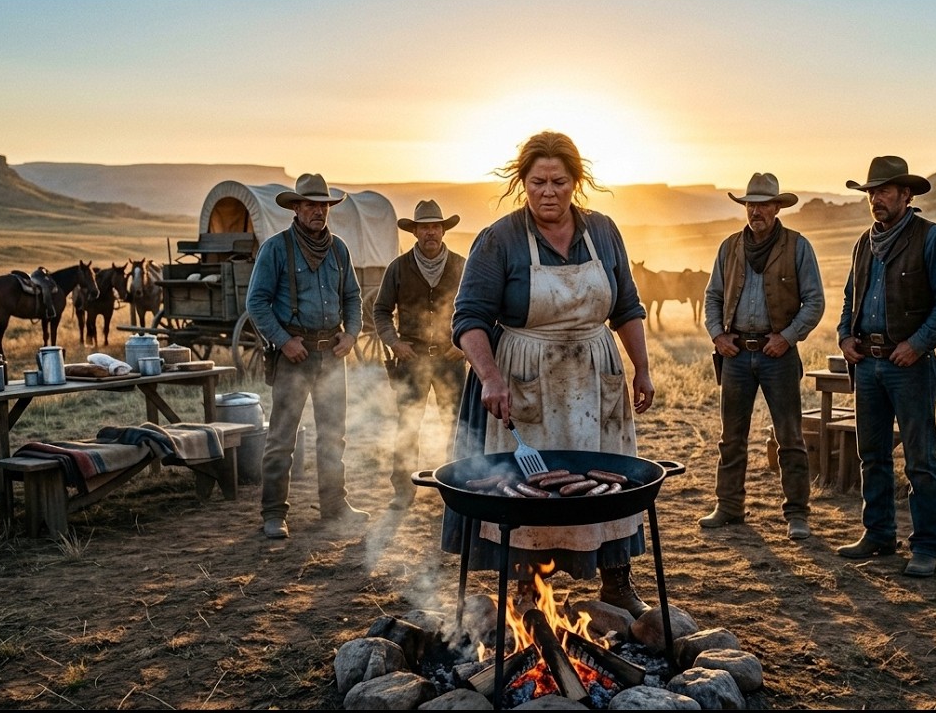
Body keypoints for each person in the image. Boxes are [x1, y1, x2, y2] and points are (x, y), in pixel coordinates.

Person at [442, 130, 656, 616]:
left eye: (559, 181)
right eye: (537, 181)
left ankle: (617, 582)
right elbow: (469, 318)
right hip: (525, 376)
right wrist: (492, 378)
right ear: (523, 183)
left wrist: (641, 367)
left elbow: (626, 306)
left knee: (608, 476)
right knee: (526, 485)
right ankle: (526, 590)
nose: (548, 192)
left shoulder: (603, 231)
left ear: (575, 182)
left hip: (595, 373)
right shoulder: (499, 240)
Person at [836, 156, 936, 578]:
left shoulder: (931, 238)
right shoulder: (862, 243)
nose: (876, 199)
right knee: (871, 455)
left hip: (908, 364)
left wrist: (917, 344)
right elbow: (849, 298)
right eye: (872, 192)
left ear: (906, 195)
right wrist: (844, 337)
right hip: (868, 366)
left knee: (919, 459)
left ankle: (926, 546)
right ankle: (878, 534)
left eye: (885, 191)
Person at [700, 173, 825, 541]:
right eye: (750, 204)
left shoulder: (798, 246)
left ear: (776, 207)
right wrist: (718, 335)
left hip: (779, 355)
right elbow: (713, 298)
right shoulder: (729, 247)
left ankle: (797, 514)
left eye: (763, 204)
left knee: (790, 436)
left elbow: (814, 302)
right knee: (731, 436)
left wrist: (786, 338)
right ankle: (729, 506)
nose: (756, 210)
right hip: (736, 352)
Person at [245, 173, 369, 540]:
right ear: (296, 208)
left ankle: (334, 506)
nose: (318, 211)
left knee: (333, 435)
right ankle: (273, 513)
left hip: (332, 353)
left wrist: (351, 333)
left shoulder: (339, 249)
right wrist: (283, 341)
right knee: (282, 438)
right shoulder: (276, 249)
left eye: (324, 205)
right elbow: (257, 303)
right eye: (311, 205)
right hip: (294, 356)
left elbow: (352, 298)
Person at [372, 199, 467, 510]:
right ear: (415, 232)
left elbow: (478, 309)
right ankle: (403, 490)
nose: (431, 232)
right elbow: (381, 311)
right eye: (424, 227)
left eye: (436, 226)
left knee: (455, 424)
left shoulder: (461, 265)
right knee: (407, 424)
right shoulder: (398, 268)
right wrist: (394, 342)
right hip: (410, 358)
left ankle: (459, 486)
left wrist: (462, 345)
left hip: (450, 357)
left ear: (443, 230)